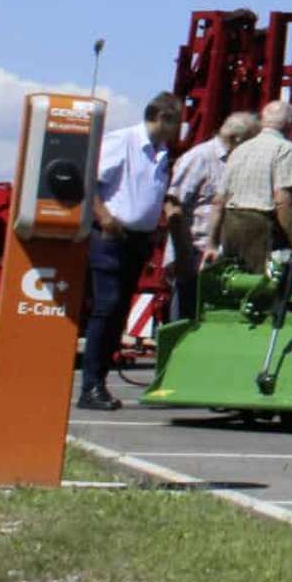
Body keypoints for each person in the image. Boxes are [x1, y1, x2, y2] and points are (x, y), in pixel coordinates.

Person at [79, 96, 183, 411]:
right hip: (113, 237)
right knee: (107, 307)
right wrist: (105, 218)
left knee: (119, 310)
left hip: (138, 240)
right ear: (161, 117)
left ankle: (100, 381)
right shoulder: (122, 142)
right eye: (176, 120)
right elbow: (89, 181)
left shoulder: (161, 154)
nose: (179, 128)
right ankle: (91, 386)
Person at [163, 108, 255, 322]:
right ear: (236, 138)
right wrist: (181, 257)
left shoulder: (236, 161)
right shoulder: (200, 158)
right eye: (252, 141)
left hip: (222, 261)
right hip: (194, 257)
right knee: (186, 320)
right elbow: (174, 205)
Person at [218, 99, 292, 272]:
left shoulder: (239, 150)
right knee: (262, 290)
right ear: (290, 124)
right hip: (260, 227)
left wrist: (213, 243)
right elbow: (282, 201)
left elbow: (220, 199)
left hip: (230, 225)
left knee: (234, 285)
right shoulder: (286, 148)